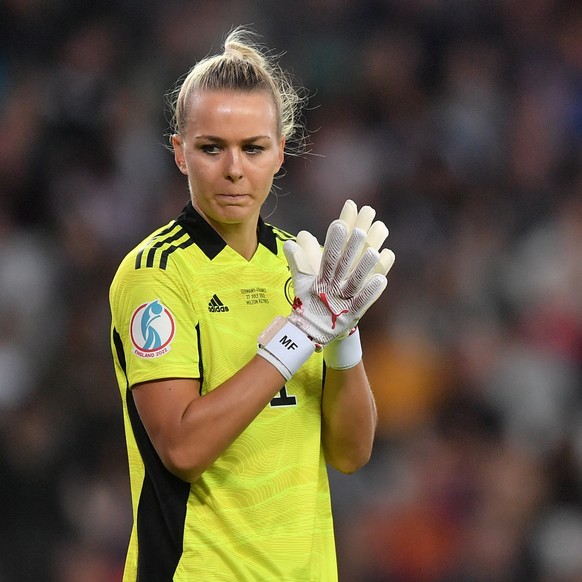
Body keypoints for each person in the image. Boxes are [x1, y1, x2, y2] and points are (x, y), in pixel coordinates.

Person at [109, 27, 395, 582]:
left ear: (280, 153)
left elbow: (352, 453)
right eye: (211, 148)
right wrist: (300, 335)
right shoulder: (157, 276)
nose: (234, 169)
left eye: (253, 148)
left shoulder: (306, 268)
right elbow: (185, 449)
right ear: (179, 153)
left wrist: (343, 335)